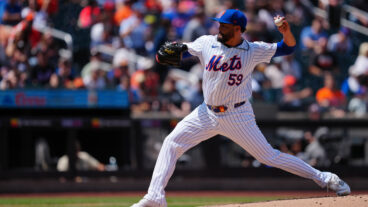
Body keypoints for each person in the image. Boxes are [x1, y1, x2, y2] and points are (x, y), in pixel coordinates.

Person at [131, 9, 350, 207]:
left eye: (224, 25)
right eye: (219, 24)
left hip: (238, 114)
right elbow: (184, 50)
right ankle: (155, 197)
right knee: (171, 142)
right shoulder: (207, 42)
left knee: (269, 157)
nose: (219, 28)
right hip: (206, 113)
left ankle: (325, 178)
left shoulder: (253, 50)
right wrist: (175, 49)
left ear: (237, 29)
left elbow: (288, 47)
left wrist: (286, 31)